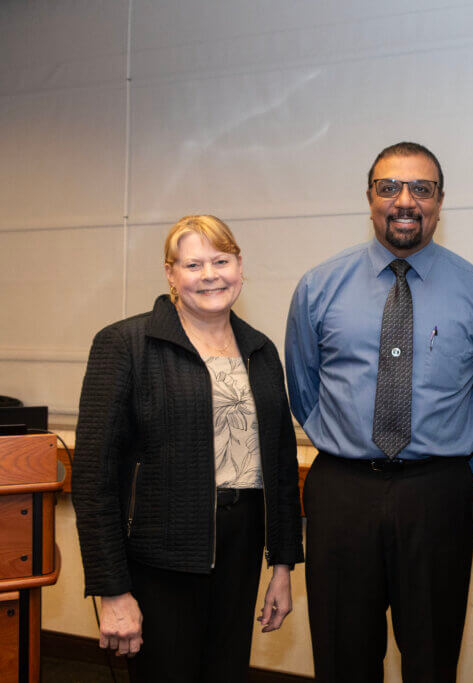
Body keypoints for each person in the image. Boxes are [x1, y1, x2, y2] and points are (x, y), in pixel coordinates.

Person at [285, 141, 473, 682]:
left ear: (439, 202)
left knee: (432, 657)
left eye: (421, 189)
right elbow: (302, 387)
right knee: (343, 656)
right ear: (369, 199)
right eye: (390, 187)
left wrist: (454, 466)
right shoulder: (319, 287)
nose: (405, 200)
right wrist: (343, 444)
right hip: (342, 492)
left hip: (438, 495)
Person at [73, 215, 304, 682]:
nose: (210, 275)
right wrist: (112, 591)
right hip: (160, 557)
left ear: (240, 266)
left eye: (221, 260)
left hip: (240, 550)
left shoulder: (259, 351)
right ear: (170, 274)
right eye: (193, 264)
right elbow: (93, 477)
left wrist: (282, 565)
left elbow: (279, 468)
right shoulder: (126, 344)